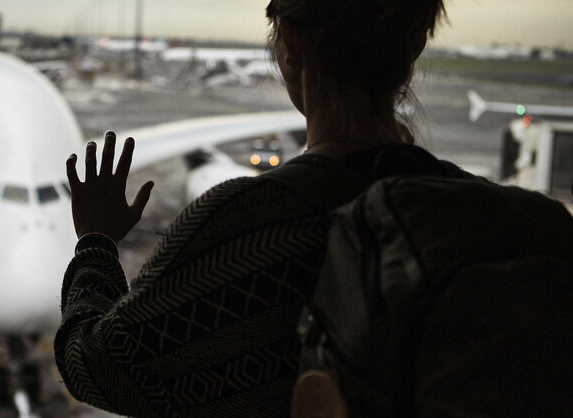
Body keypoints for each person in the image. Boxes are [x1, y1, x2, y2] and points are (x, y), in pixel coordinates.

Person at [55, 0, 450, 416]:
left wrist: (95, 242)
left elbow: (96, 367)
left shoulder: (239, 229)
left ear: (291, 44)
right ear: (415, 47)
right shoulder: (471, 214)